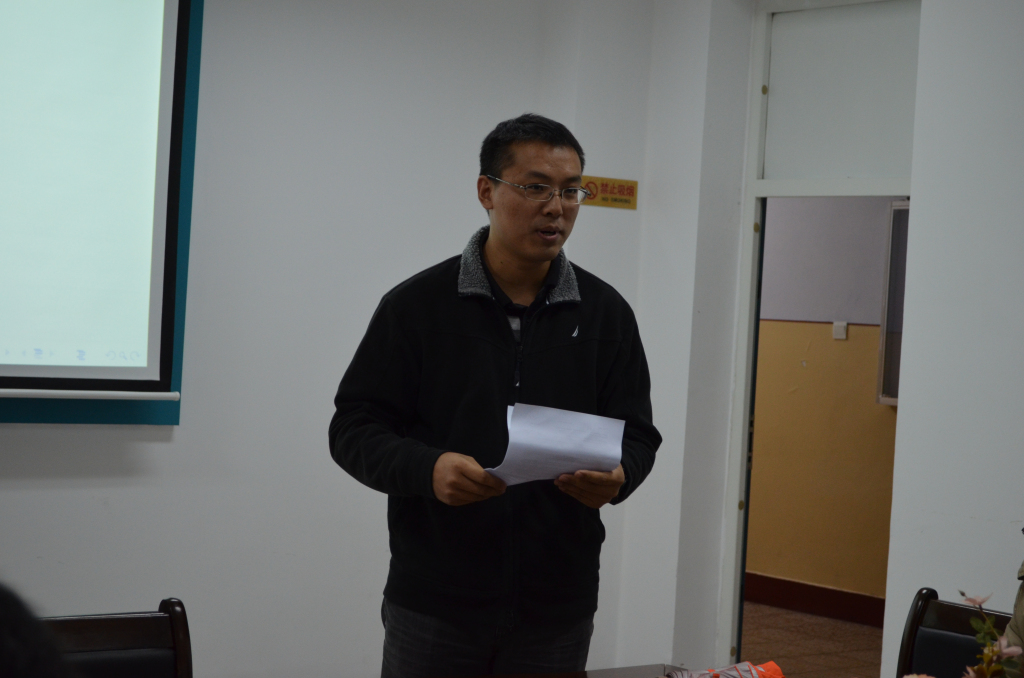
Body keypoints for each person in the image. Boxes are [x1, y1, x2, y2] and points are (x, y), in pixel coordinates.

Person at [329, 113, 661, 677]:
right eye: (535, 188)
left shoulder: (606, 314)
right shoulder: (416, 307)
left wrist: (621, 475)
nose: (556, 208)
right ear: (487, 191)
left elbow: (638, 433)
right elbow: (354, 427)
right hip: (436, 602)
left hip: (557, 605)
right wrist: (428, 469)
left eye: (571, 191)